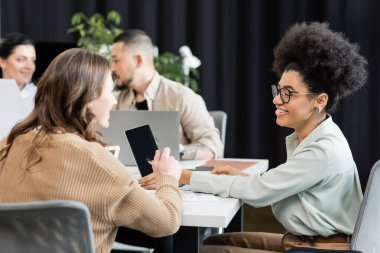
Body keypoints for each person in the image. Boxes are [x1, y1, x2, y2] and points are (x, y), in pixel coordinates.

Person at [140, 22, 368, 252]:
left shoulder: (322, 150)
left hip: (318, 248)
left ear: (319, 101)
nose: (277, 100)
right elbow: (277, 186)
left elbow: (259, 192)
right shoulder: (317, 136)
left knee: (207, 251)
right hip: (303, 241)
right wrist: (239, 177)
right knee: (212, 243)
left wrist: (182, 175)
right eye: (278, 91)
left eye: (288, 93)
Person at [0, 48, 183, 253]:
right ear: (87, 97)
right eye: (109, 91)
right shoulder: (96, 161)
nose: (114, 100)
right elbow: (167, 222)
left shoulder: (9, 143)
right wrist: (168, 178)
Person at [111, 29, 223, 160]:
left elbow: (213, 147)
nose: (112, 68)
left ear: (138, 61)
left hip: (174, 178)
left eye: (116, 60)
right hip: (130, 178)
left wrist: (178, 151)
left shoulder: (181, 96)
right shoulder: (116, 100)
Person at [0, 33, 37, 113]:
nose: (29, 67)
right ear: (2, 62)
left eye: (32, 60)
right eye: (21, 59)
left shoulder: (40, 97)